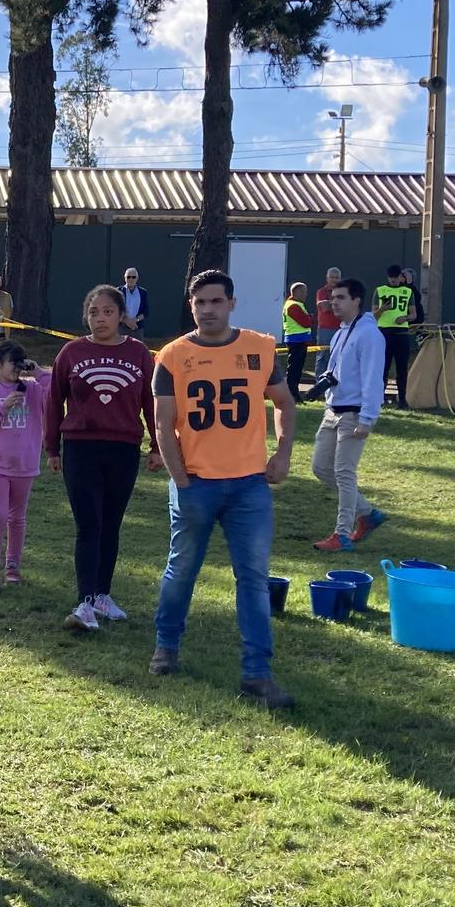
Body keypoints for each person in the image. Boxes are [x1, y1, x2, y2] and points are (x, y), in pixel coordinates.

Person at [149, 268, 297, 709]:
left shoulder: (260, 347)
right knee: (181, 571)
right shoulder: (173, 356)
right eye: (200, 303)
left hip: (249, 484)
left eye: (216, 301)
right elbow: (162, 423)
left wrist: (283, 454)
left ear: (232, 303)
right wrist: (180, 479)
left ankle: (256, 673)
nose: (208, 310)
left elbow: (285, 404)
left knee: (252, 579)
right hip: (196, 483)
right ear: (191, 307)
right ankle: (166, 647)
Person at [46, 284, 163, 631]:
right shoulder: (70, 353)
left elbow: (151, 403)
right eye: (94, 312)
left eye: (108, 312)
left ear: (121, 316)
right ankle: (84, 602)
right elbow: (53, 401)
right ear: (86, 316)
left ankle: (102, 596)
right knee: (89, 525)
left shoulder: (140, 354)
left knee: (111, 524)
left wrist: (157, 446)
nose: (100, 319)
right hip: (81, 447)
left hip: (124, 448)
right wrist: (51, 447)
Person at [310, 276, 387, 551]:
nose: (334, 302)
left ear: (356, 300)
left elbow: (373, 379)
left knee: (344, 473)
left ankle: (341, 535)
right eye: (333, 298)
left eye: (340, 297)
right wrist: (324, 384)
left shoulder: (369, 334)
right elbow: (335, 368)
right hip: (333, 410)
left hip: (354, 415)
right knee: (320, 467)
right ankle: (367, 513)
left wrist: (367, 419)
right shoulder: (342, 331)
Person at [0, 340, 49, 592]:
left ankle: (13, 565)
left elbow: (56, 390)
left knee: (17, 518)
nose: (17, 367)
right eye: (12, 362)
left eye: (20, 362)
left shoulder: (33, 390)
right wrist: (1, 408)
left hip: (24, 463)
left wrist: (36, 370)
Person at [374, 265, 416, 406]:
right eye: (390, 277)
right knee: (383, 367)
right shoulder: (380, 291)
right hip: (384, 333)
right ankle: (380, 398)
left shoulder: (407, 291)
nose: (392, 280)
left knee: (402, 368)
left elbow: (413, 314)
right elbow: (373, 315)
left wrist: (404, 318)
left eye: (395, 277)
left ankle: (402, 399)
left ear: (400, 277)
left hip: (401, 333)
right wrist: (382, 309)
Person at [280, 281, 314, 390]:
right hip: (296, 340)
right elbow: (306, 322)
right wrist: (310, 318)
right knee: (294, 368)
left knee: (297, 368)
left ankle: (294, 391)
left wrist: (308, 318)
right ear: (297, 292)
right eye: (304, 292)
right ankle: (292, 392)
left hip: (298, 340)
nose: (306, 295)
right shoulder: (293, 306)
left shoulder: (295, 304)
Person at [314, 267, 342, 360]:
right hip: (325, 329)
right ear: (327, 278)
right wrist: (338, 303)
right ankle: (320, 375)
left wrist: (330, 302)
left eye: (337, 277)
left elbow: (346, 308)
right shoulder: (321, 292)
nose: (334, 280)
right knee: (323, 356)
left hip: (341, 328)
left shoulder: (344, 292)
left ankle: (335, 375)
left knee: (339, 356)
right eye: (332, 277)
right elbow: (325, 308)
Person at [118, 267, 149, 339]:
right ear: (125, 278)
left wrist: (135, 320)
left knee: (138, 349)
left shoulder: (143, 292)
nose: (131, 279)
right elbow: (115, 309)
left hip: (137, 328)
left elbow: (145, 311)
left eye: (133, 277)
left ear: (137, 278)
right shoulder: (118, 291)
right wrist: (126, 321)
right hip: (122, 328)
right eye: (128, 277)